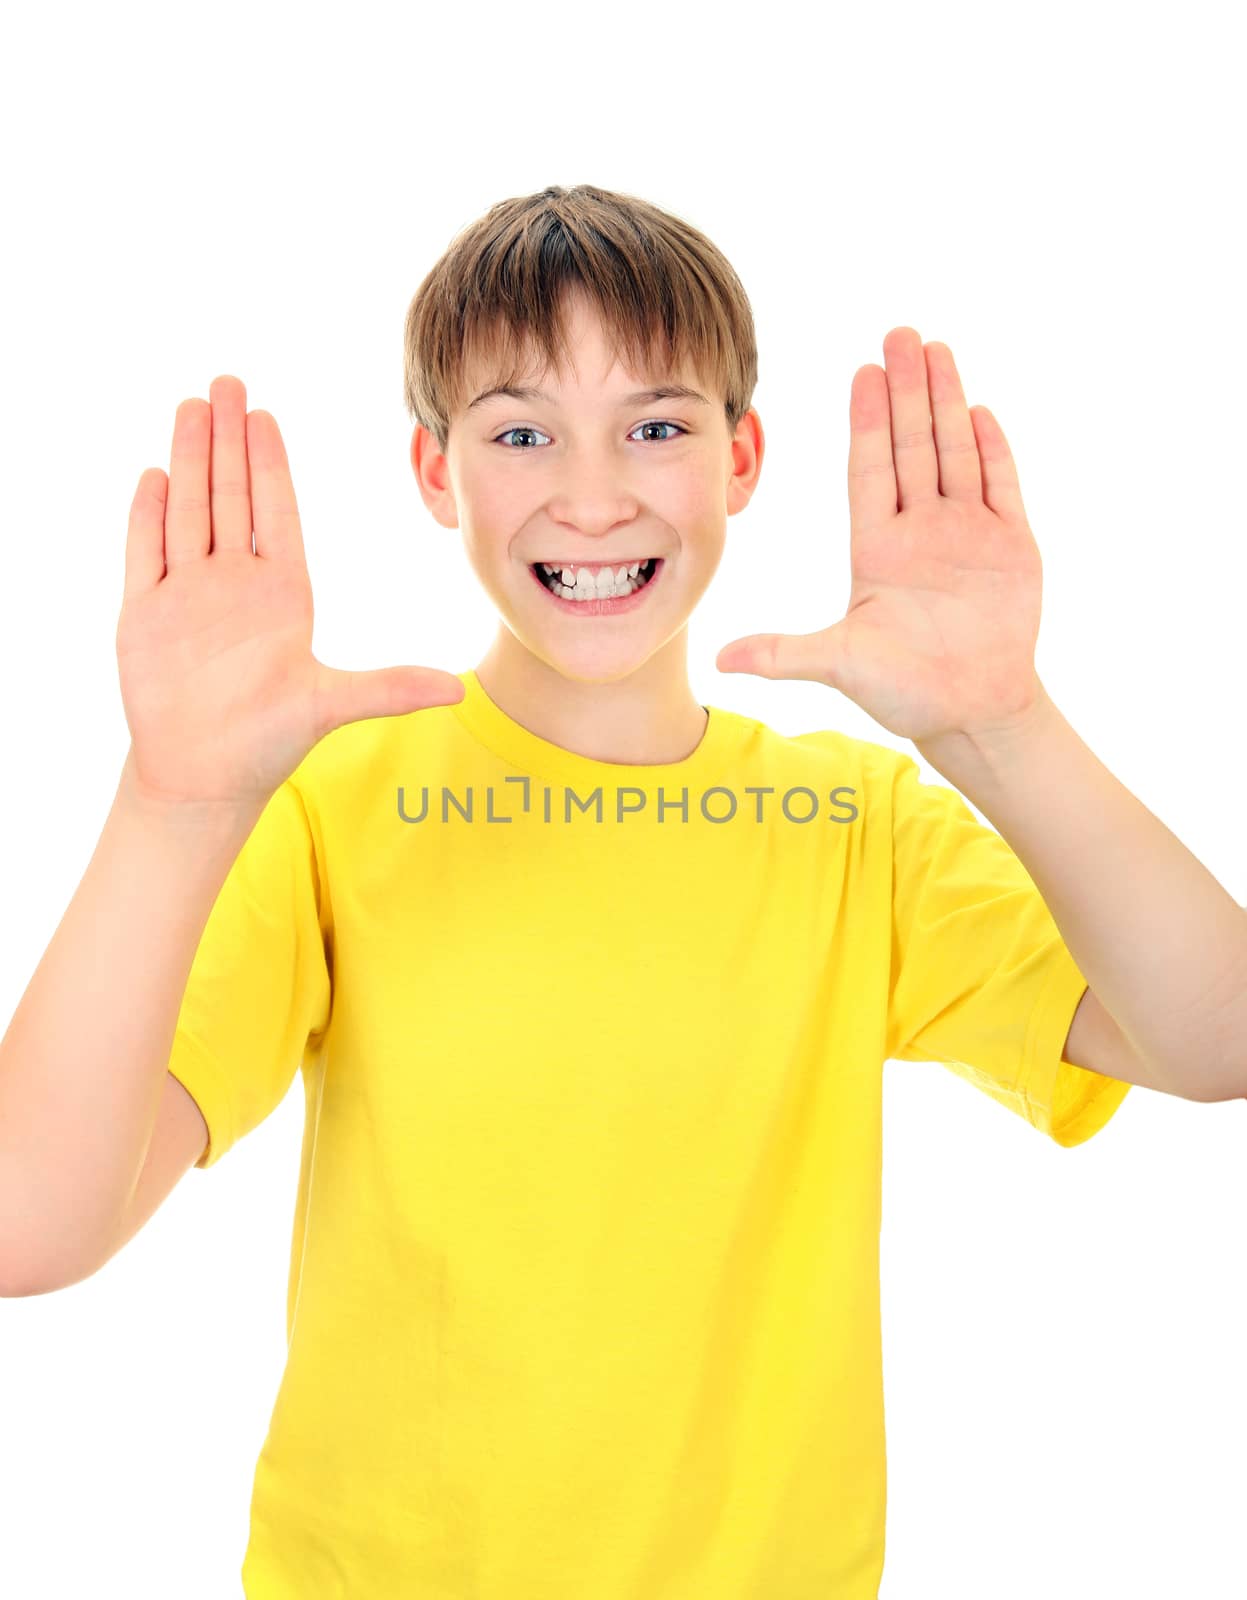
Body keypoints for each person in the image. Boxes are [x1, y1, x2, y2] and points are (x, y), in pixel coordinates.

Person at [2, 182, 1244, 1598]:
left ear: (740, 456)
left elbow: (1219, 1038)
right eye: (521, 431)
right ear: (432, 472)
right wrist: (172, 807)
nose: (592, 496)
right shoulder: (333, 810)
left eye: (656, 425)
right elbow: (27, 1224)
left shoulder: (855, 828)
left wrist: (1004, 725)